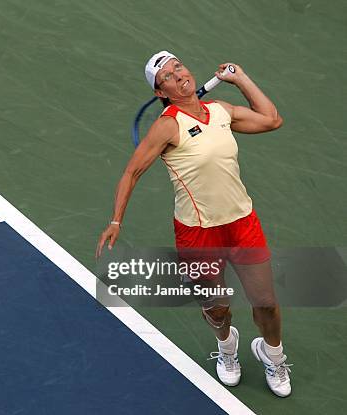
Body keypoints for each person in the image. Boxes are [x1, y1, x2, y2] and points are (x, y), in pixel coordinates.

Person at [95, 51, 292, 397]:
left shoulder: (221, 111)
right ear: (161, 92)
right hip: (197, 233)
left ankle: (272, 354)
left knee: (266, 303)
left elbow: (272, 120)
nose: (178, 74)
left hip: (243, 223)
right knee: (216, 308)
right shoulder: (167, 126)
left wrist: (241, 78)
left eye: (178, 66)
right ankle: (227, 347)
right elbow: (131, 171)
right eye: (168, 76)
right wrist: (116, 220)